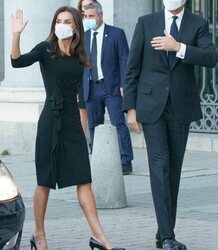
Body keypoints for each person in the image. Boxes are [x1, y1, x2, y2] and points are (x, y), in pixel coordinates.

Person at [11, 7, 125, 250]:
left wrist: (84, 127)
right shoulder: (46, 49)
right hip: (51, 120)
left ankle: (99, 236)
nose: (62, 24)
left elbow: (81, 95)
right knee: (45, 181)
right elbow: (17, 62)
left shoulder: (80, 54)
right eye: (59, 20)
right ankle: (39, 235)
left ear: (75, 27)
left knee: (83, 179)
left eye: (67, 21)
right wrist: (16, 35)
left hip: (72, 122)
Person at [122, 0, 218, 249]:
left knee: (173, 171)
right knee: (160, 167)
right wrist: (130, 108)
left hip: (180, 108)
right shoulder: (146, 22)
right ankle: (167, 237)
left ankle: (163, 232)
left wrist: (179, 47)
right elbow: (132, 67)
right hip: (151, 106)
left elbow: (211, 57)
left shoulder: (198, 24)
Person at [82, 2, 133, 174]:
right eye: (86, 16)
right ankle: (99, 158)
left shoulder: (116, 34)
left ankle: (126, 160)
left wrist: (124, 84)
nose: (88, 19)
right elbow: (79, 64)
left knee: (118, 123)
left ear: (100, 16)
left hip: (111, 87)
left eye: (91, 16)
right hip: (91, 86)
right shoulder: (83, 36)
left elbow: (124, 59)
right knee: (93, 125)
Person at [76, 0, 97, 137]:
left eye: (90, 5)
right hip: (82, 74)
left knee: (94, 112)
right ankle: (83, 142)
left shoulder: (97, 24)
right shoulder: (77, 28)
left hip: (97, 74)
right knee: (82, 110)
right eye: (84, 6)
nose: (87, 8)